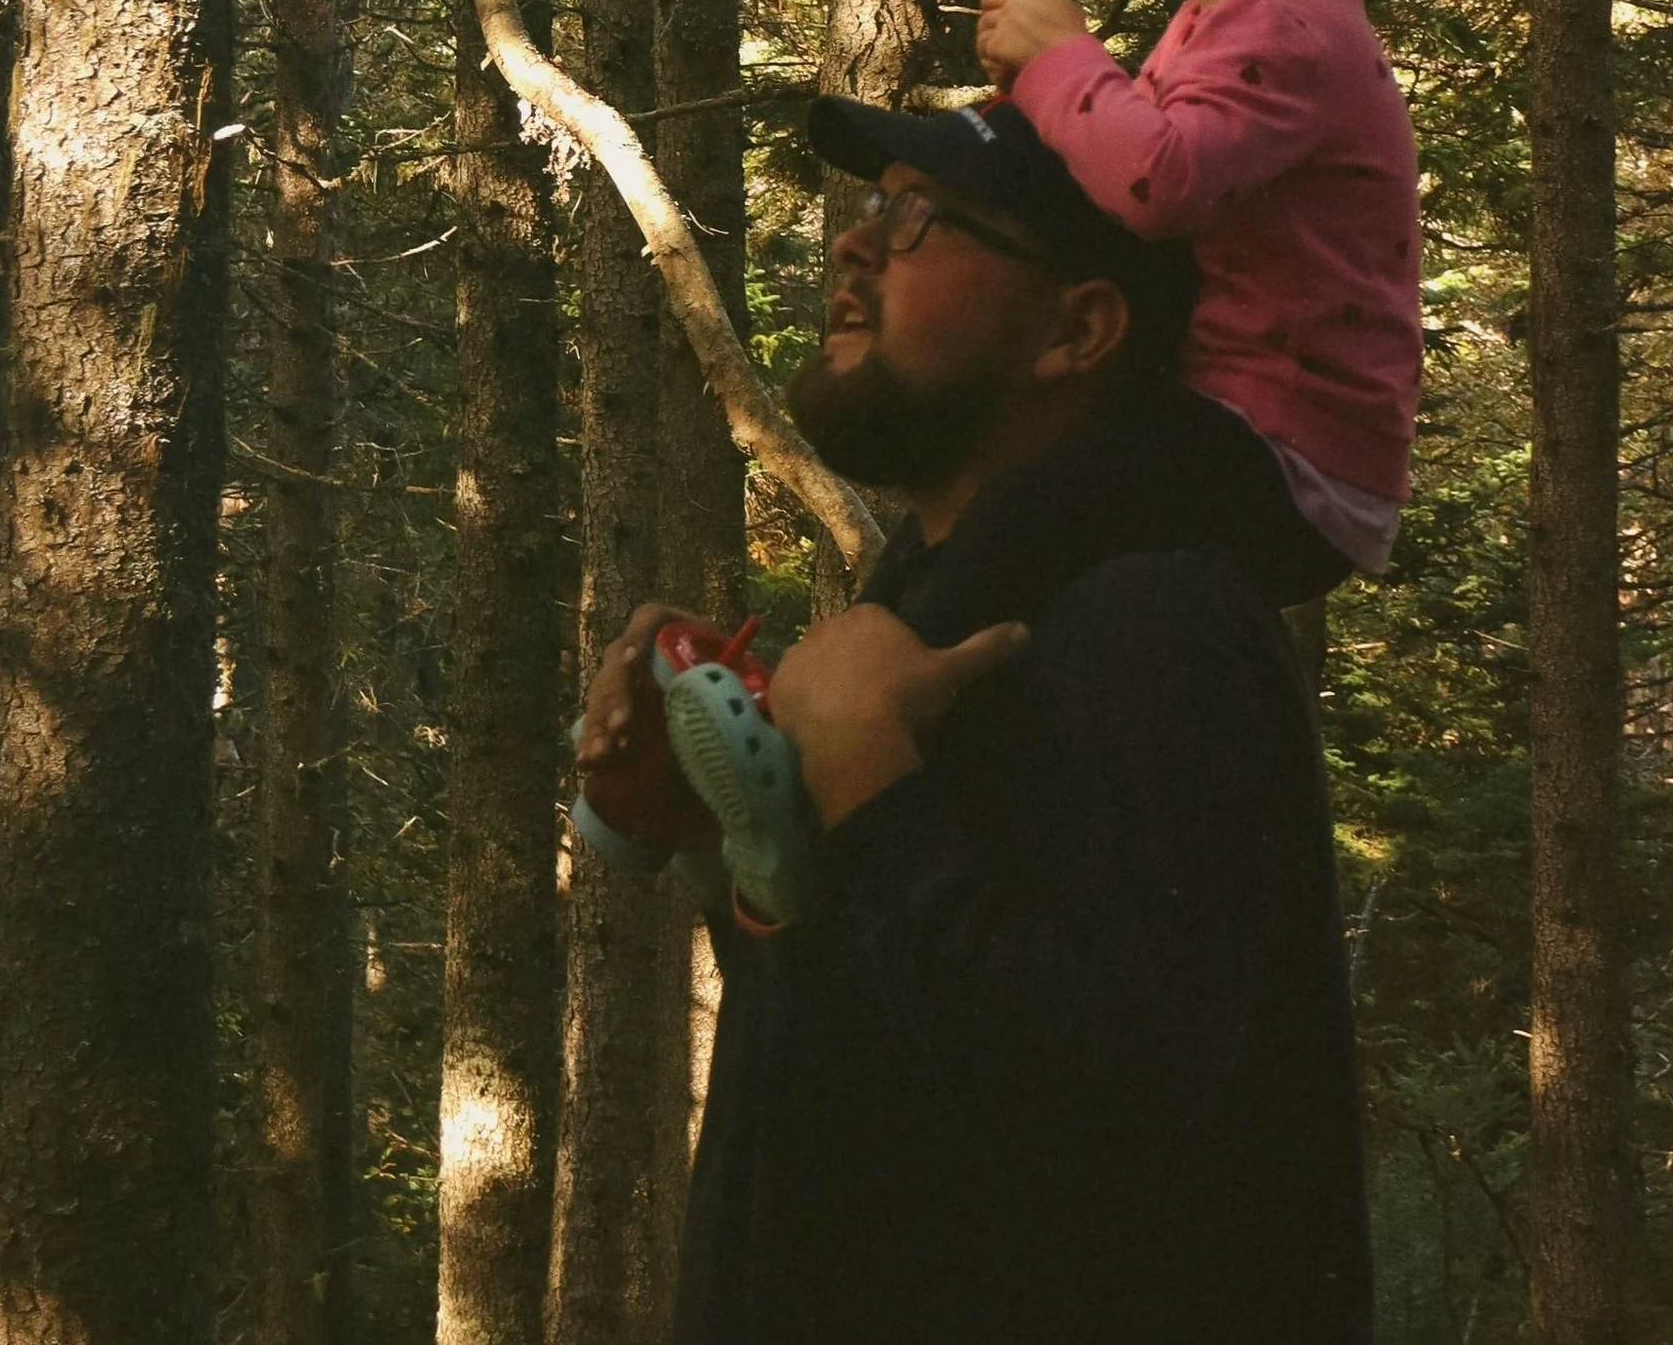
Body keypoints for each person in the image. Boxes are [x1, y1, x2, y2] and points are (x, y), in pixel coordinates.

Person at [577, 94, 1378, 1345]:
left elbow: (1115, 1124)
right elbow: (868, 1089)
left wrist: (867, 782)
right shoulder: (930, 615)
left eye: (918, 219)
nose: (853, 244)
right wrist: (734, 829)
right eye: (869, 206)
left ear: (1078, 329)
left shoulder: (1151, 619)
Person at [977, 0, 1479, 597]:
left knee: (1015, 512)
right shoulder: (1229, 17)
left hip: (1283, 458)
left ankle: (887, 667)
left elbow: (1159, 184)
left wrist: (1063, 61)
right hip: (1240, 431)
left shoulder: (1292, 23)